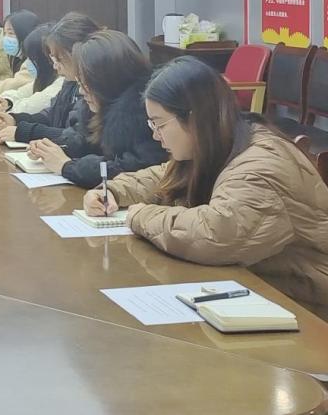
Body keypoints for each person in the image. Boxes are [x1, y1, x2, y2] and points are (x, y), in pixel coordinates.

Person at [84, 56, 328, 320]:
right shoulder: (220, 141)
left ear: (193, 117)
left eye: (160, 124)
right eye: (151, 124)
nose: (155, 135)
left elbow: (215, 233)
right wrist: (114, 190)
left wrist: (141, 216)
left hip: (308, 311)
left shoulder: (260, 166)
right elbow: (164, 176)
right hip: (262, 293)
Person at [27, 30, 166, 188]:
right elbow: (85, 139)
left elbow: (132, 170)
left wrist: (67, 167)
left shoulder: (145, 114)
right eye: (79, 82)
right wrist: (52, 148)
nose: (81, 91)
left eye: (86, 83)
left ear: (106, 80)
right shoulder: (102, 105)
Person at [0, 12, 101, 145]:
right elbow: (51, 114)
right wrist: (16, 120)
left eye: (59, 59)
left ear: (77, 52)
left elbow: (78, 138)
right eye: (53, 59)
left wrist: (23, 132)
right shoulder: (70, 81)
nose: (55, 66)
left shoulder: (92, 89)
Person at [0, 23, 64, 115]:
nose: (27, 63)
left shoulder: (61, 83)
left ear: (44, 59)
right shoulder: (43, 78)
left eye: (31, 59)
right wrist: (8, 101)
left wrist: (9, 106)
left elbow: (28, 108)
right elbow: (20, 93)